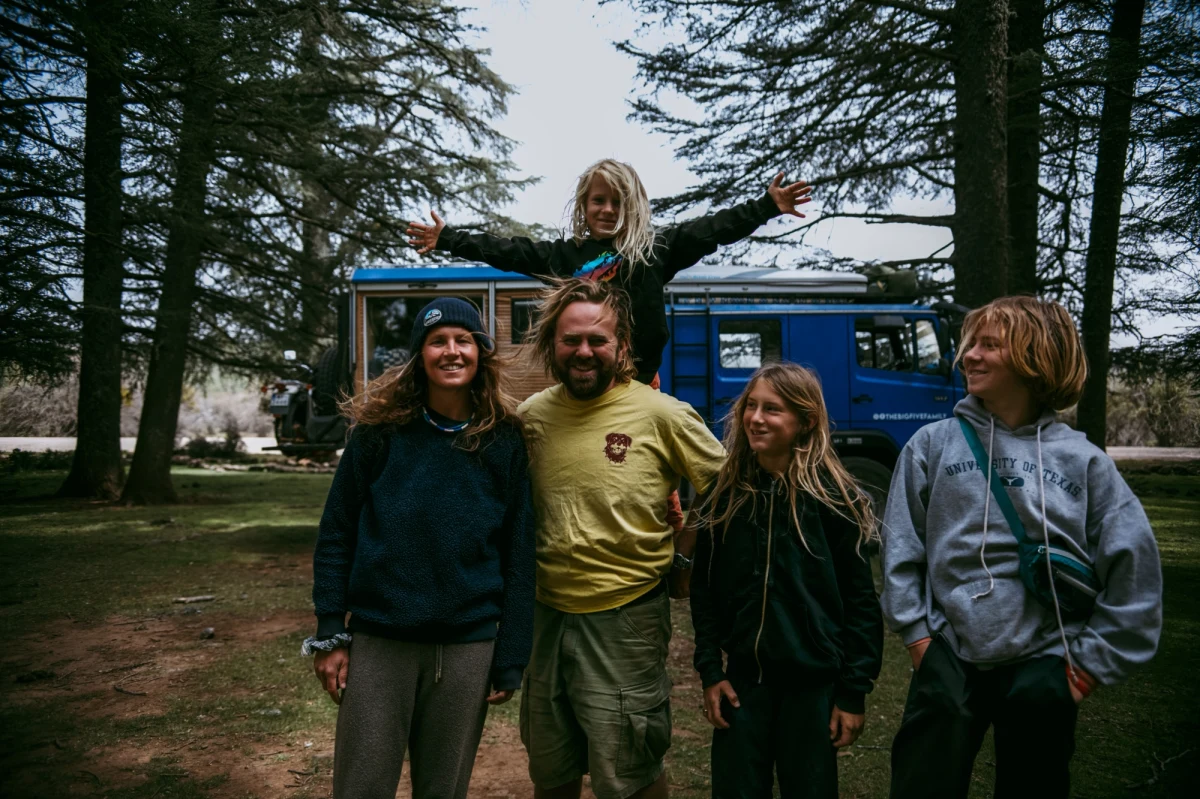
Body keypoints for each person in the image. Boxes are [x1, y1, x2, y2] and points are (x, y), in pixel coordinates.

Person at [880, 296, 1163, 799]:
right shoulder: (931, 445)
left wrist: (1087, 666)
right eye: (970, 344)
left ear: (1037, 358)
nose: (969, 355)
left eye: (989, 345)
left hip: (1045, 666)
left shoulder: (1085, 462)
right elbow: (901, 547)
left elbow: (1134, 569)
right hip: (947, 657)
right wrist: (919, 639)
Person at [303, 297, 536, 799]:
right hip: (380, 643)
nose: (451, 351)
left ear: (481, 352)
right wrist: (329, 630)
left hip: (467, 649)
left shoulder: (504, 441)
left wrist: (511, 654)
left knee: (443, 791)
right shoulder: (378, 434)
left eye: (463, 340)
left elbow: (520, 554)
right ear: (420, 355)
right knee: (361, 788)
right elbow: (337, 531)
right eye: (437, 341)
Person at [515, 278, 727, 799]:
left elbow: (727, 489)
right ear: (551, 345)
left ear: (622, 346)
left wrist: (682, 558)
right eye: (570, 340)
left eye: (597, 340)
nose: (583, 351)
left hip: (626, 617)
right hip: (545, 617)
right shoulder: (530, 418)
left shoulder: (662, 414)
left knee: (628, 769)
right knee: (551, 766)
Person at [405, 158, 812, 383]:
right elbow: (511, 251)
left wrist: (764, 207)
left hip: (639, 383)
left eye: (618, 202)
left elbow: (713, 230)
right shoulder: (565, 257)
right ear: (584, 207)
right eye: (598, 201)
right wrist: (449, 239)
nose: (607, 210)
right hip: (585, 377)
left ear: (632, 207)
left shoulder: (655, 251)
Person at [690, 362, 882, 798]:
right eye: (750, 407)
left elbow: (861, 600)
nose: (755, 419)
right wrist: (709, 670)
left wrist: (852, 693)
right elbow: (703, 589)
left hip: (812, 691)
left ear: (805, 420)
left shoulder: (836, 498)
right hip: (742, 688)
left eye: (772, 409)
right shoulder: (726, 492)